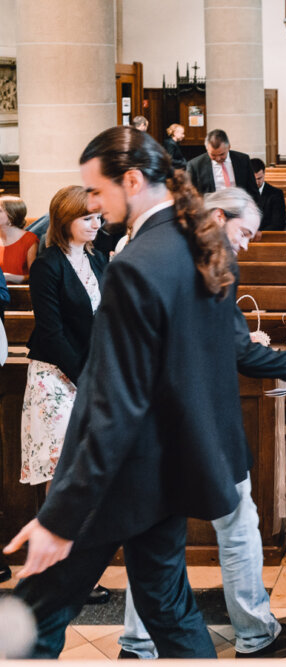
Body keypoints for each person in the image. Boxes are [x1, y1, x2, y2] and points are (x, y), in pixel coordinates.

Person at [4, 126, 255, 658]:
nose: (92, 202)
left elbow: (114, 402)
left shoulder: (137, 263)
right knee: (167, 606)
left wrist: (60, 515)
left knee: (33, 615)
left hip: (122, 473)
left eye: (96, 190)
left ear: (132, 180)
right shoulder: (197, 243)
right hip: (169, 464)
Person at [119, 187, 286, 660]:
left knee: (154, 538)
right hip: (203, 421)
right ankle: (253, 633)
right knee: (238, 524)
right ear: (220, 216)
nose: (245, 243)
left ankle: (137, 642)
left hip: (151, 420)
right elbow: (237, 348)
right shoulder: (211, 262)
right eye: (244, 232)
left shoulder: (150, 248)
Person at [19, 187, 108, 606]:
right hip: (56, 376)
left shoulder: (96, 258)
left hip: (88, 373)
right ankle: (58, 575)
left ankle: (76, 572)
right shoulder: (48, 264)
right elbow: (51, 331)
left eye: (99, 218)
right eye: (89, 218)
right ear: (66, 218)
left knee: (84, 475)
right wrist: (84, 374)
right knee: (62, 476)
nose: (97, 224)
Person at [186, 128, 259, 203]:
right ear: (206, 149)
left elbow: (253, 191)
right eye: (213, 155)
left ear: (229, 147)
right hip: (211, 210)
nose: (218, 158)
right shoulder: (195, 165)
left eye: (222, 154)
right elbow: (190, 196)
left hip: (239, 208)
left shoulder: (243, 160)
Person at [0, 196, 39, 283]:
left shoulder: (29, 240)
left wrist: (8, 277)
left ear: (11, 215)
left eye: (0, 211)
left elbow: (35, 277)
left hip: (19, 293)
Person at [250, 158, 286, 232]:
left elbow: (278, 223)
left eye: (259, 178)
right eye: (254, 179)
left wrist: (260, 233)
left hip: (267, 236)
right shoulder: (243, 192)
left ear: (264, 174)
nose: (257, 182)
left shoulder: (276, 194)